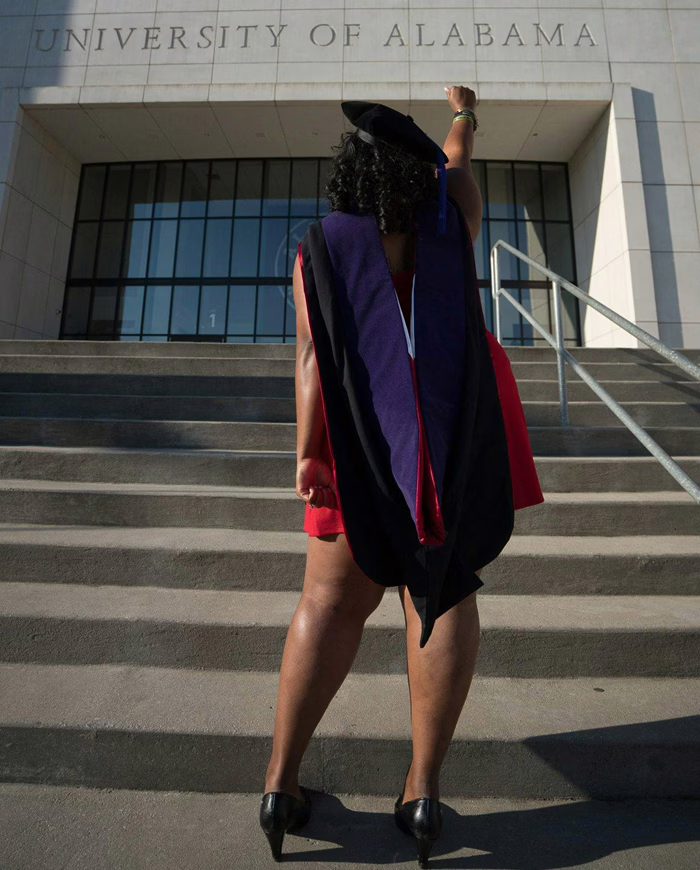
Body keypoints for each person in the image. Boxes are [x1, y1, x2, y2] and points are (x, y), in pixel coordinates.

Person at [260, 87, 544, 867]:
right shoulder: (452, 223)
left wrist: (309, 455)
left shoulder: (317, 249)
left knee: (328, 599)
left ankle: (280, 787)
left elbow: (314, 363)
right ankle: (421, 793)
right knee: (443, 588)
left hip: (360, 437)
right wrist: (464, 114)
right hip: (454, 433)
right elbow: (454, 163)